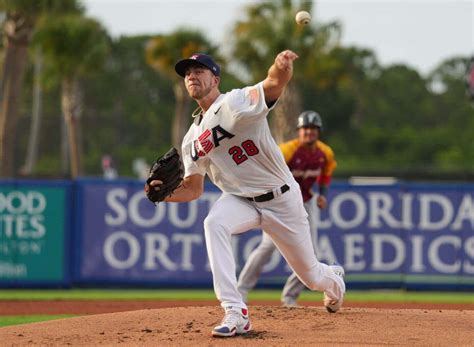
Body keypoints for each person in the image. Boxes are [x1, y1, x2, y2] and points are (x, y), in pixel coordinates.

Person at [146, 51, 345, 338]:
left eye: (199, 70)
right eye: (187, 72)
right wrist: (163, 195)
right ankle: (235, 310)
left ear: (215, 79)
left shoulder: (234, 102)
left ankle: (335, 279)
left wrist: (281, 67)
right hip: (240, 199)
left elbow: (273, 84)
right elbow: (193, 188)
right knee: (214, 223)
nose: (191, 75)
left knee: (312, 277)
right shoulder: (191, 139)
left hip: (281, 198)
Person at [237, 110, 337, 307]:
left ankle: (290, 297)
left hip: (306, 203)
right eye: (306, 129)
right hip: (280, 205)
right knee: (267, 247)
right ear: (299, 131)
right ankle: (240, 291)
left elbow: (326, 174)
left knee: (311, 252)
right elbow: (267, 171)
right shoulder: (287, 150)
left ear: (318, 132)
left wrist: (323, 194)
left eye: (313, 129)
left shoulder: (325, 153)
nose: (309, 132)